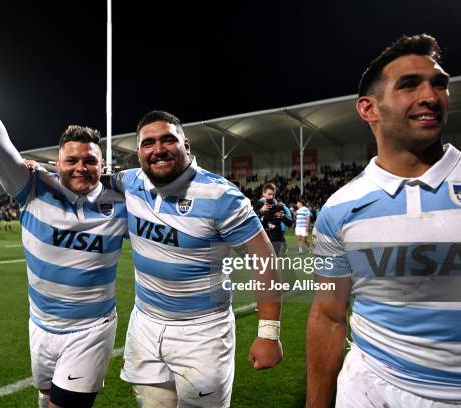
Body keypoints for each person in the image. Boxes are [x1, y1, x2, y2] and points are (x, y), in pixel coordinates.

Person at [0, 29, 127, 408]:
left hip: (92, 328)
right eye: (71, 160)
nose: (80, 167)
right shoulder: (32, 187)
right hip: (40, 323)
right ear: (57, 163)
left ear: (103, 164)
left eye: (90, 160)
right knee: (44, 396)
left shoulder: (122, 199)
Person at [306, 34, 461, 407]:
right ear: (368, 109)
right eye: (409, 85)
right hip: (370, 389)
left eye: (438, 84)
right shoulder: (340, 208)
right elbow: (328, 315)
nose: (431, 96)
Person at [110, 110, 283, 407]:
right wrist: (38, 172)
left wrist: (269, 333)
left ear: (186, 145)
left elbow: (263, 259)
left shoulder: (221, 196)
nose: (158, 149)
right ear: (138, 152)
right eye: (148, 143)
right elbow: (84, 180)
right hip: (145, 323)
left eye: (168, 140)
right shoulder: (129, 181)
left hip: (202, 331)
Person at [254, 183, 293, 256]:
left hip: (277, 241)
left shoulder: (278, 206)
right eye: (269, 194)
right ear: (263, 193)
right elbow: (251, 222)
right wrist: (261, 211)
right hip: (263, 240)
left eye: (273, 194)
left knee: (277, 263)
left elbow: (290, 223)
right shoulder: (258, 206)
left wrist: (283, 216)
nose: (271, 197)